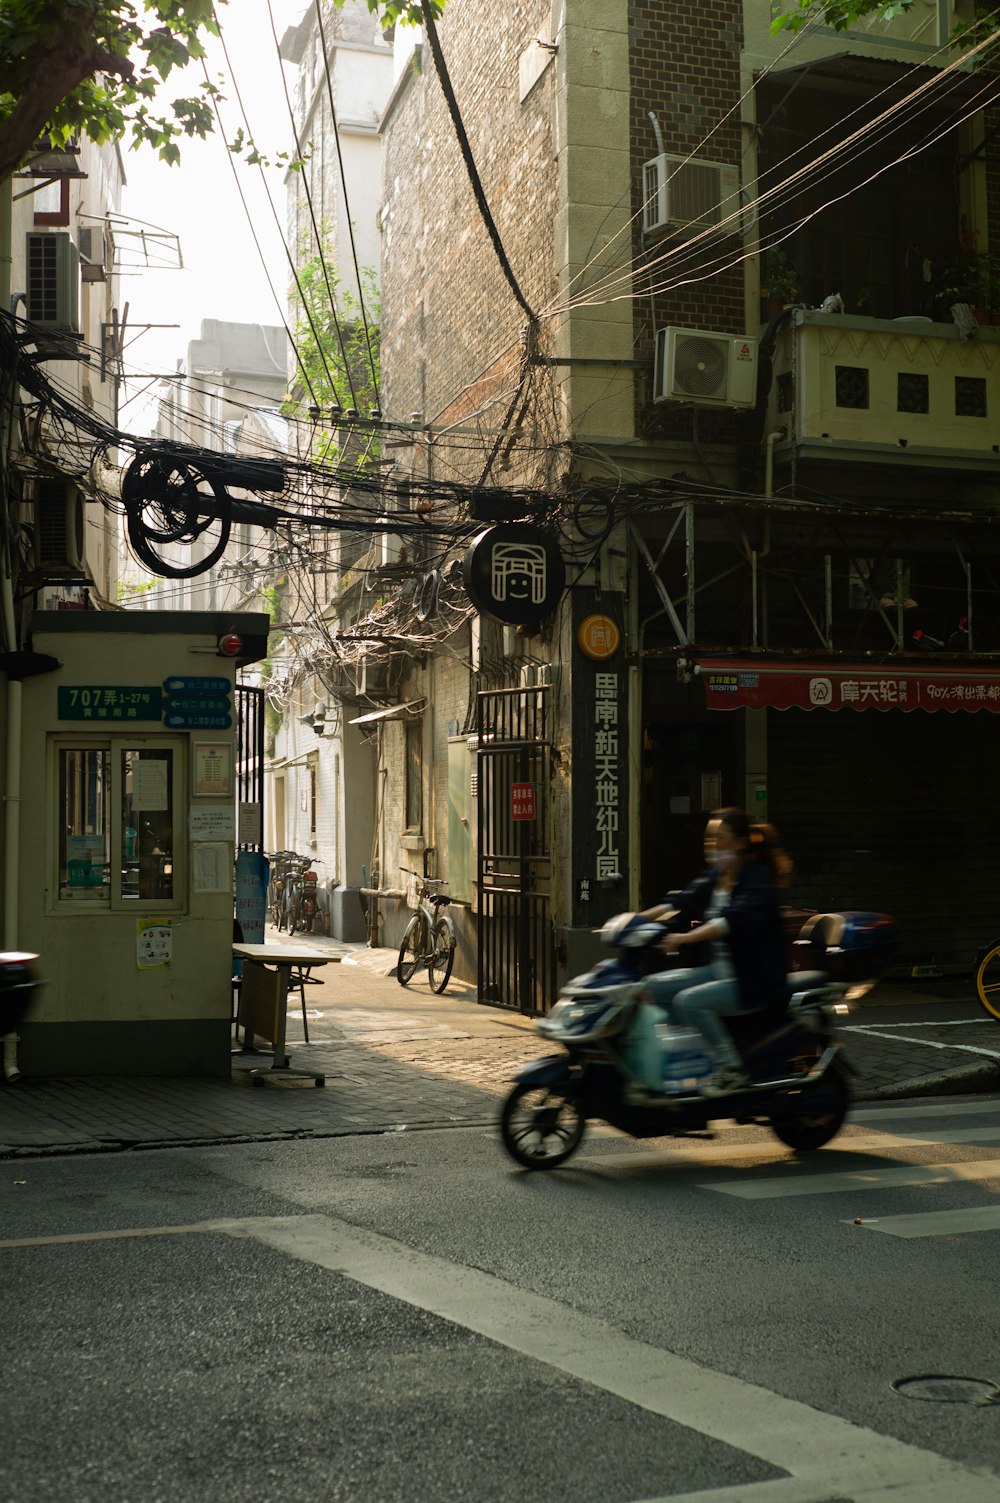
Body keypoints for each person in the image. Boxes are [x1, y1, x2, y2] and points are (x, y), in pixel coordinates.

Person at [639, 808, 792, 1095]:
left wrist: (684, 938)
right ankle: (680, 1060)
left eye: (719, 838)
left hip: (752, 978)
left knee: (689, 1001)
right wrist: (634, 921)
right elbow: (679, 903)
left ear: (740, 843)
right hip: (718, 970)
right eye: (709, 838)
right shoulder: (716, 876)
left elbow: (728, 922)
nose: (712, 845)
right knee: (651, 987)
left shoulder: (758, 880)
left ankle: (730, 1068)